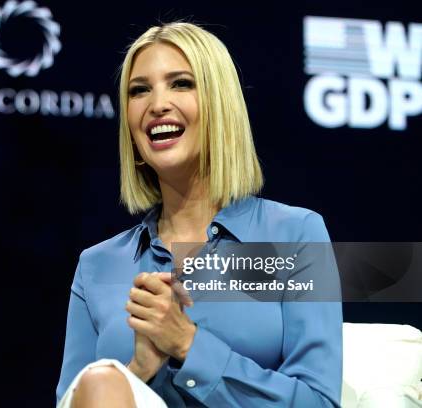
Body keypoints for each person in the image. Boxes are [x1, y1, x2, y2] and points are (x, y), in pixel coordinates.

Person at [56, 22, 342, 407]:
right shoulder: (97, 266)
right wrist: (138, 370)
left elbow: (319, 402)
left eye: (181, 83)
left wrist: (188, 344)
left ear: (220, 106)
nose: (157, 104)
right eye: (139, 90)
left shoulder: (294, 235)